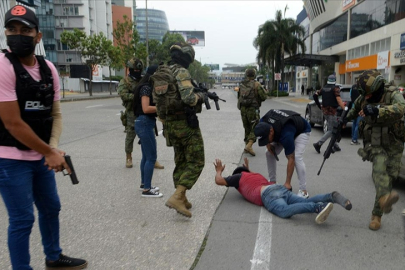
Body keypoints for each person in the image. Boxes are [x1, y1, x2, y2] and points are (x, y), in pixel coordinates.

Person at [0, 6, 87, 269]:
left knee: (51, 208)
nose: (19, 35)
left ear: (38, 36)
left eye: (26, 30)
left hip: (40, 155)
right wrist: (48, 152)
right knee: (22, 219)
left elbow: (56, 115)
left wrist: (53, 148)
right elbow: (13, 123)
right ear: (5, 34)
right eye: (12, 30)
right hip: (10, 159)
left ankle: (53, 256)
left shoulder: (49, 69)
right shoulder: (4, 67)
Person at [345, 70, 405, 231]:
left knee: (391, 176)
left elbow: (401, 108)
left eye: (370, 95)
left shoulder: (392, 93)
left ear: (378, 88)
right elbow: (354, 108)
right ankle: (379, 211)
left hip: (394, 142)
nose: (367, 98)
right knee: (379, 165)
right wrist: (344, 120)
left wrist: (378, 110)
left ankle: (379, 209)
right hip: (374, 141)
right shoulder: (365, 96)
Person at [213, 158, 352, 223]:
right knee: (305, 200)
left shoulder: (238, 178)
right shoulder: (255, 175)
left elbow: (219, 181)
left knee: (285, 211)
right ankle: (331, 196)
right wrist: (248, 168)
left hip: (269, 195)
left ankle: (318, 207)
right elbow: (248, 173)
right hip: (279, 188)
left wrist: (219, 171)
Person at [161, 42, 205, 218]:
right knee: (196, 161)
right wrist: (201, 95)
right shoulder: (181, 72)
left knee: (180, 160)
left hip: (169, 124)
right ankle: (178, 196)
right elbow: (189, 98)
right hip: (184, 124)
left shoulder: (163, 72)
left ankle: (183, 197)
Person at [118, 57, 164, 169]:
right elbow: (123, 94)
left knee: (150, 135)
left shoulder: (144, 80)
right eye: (135, 70)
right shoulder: (125, 82)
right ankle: (129, 157)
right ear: (130, 69)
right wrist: (139, 96)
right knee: (130, 136)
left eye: (139, 70)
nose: (137, 72)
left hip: (145, 112)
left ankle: (153, 159)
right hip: (132, 113)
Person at [254, 109, 311, 198]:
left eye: (266, 139)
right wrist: (268, 144)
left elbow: (290, 158)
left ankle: (303, 190)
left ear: (271, 131)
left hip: (301, 131)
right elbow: (265, 135)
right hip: (281, 130)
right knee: (269, 153)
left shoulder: (286, 135)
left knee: (297, 157)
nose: (265, 142)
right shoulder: (263, 123)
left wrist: (287, 183)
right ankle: (272, 182)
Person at [134, 65, 163, 198]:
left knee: (146, 156)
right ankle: (147, 189)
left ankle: (143, 184)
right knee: (151, 157)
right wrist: (161, 107)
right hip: (145, 123)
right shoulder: (146, 88)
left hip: (143, 123)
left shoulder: (145, 86)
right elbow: (146, 108)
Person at [312, 73, 346, 153]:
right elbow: (338, 100)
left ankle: (335, 145)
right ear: (334, 81)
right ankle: (318, 144)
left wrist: (319, 105)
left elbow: (315, 95)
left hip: (325, 112)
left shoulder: (323, 88)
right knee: (331, 130)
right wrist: (344, 108)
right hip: (332, 112)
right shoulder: (335, 88)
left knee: (334, 127)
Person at [237, 68, 267, 156]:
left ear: (246, 75)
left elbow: (239, 97)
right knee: (255, 127)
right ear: (254, 75)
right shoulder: (256, 84)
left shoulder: (242, 84)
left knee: (247, 128)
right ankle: (249, 145)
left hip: (243, 109)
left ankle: (246, 146)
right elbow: (264, 97)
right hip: (253, 109)